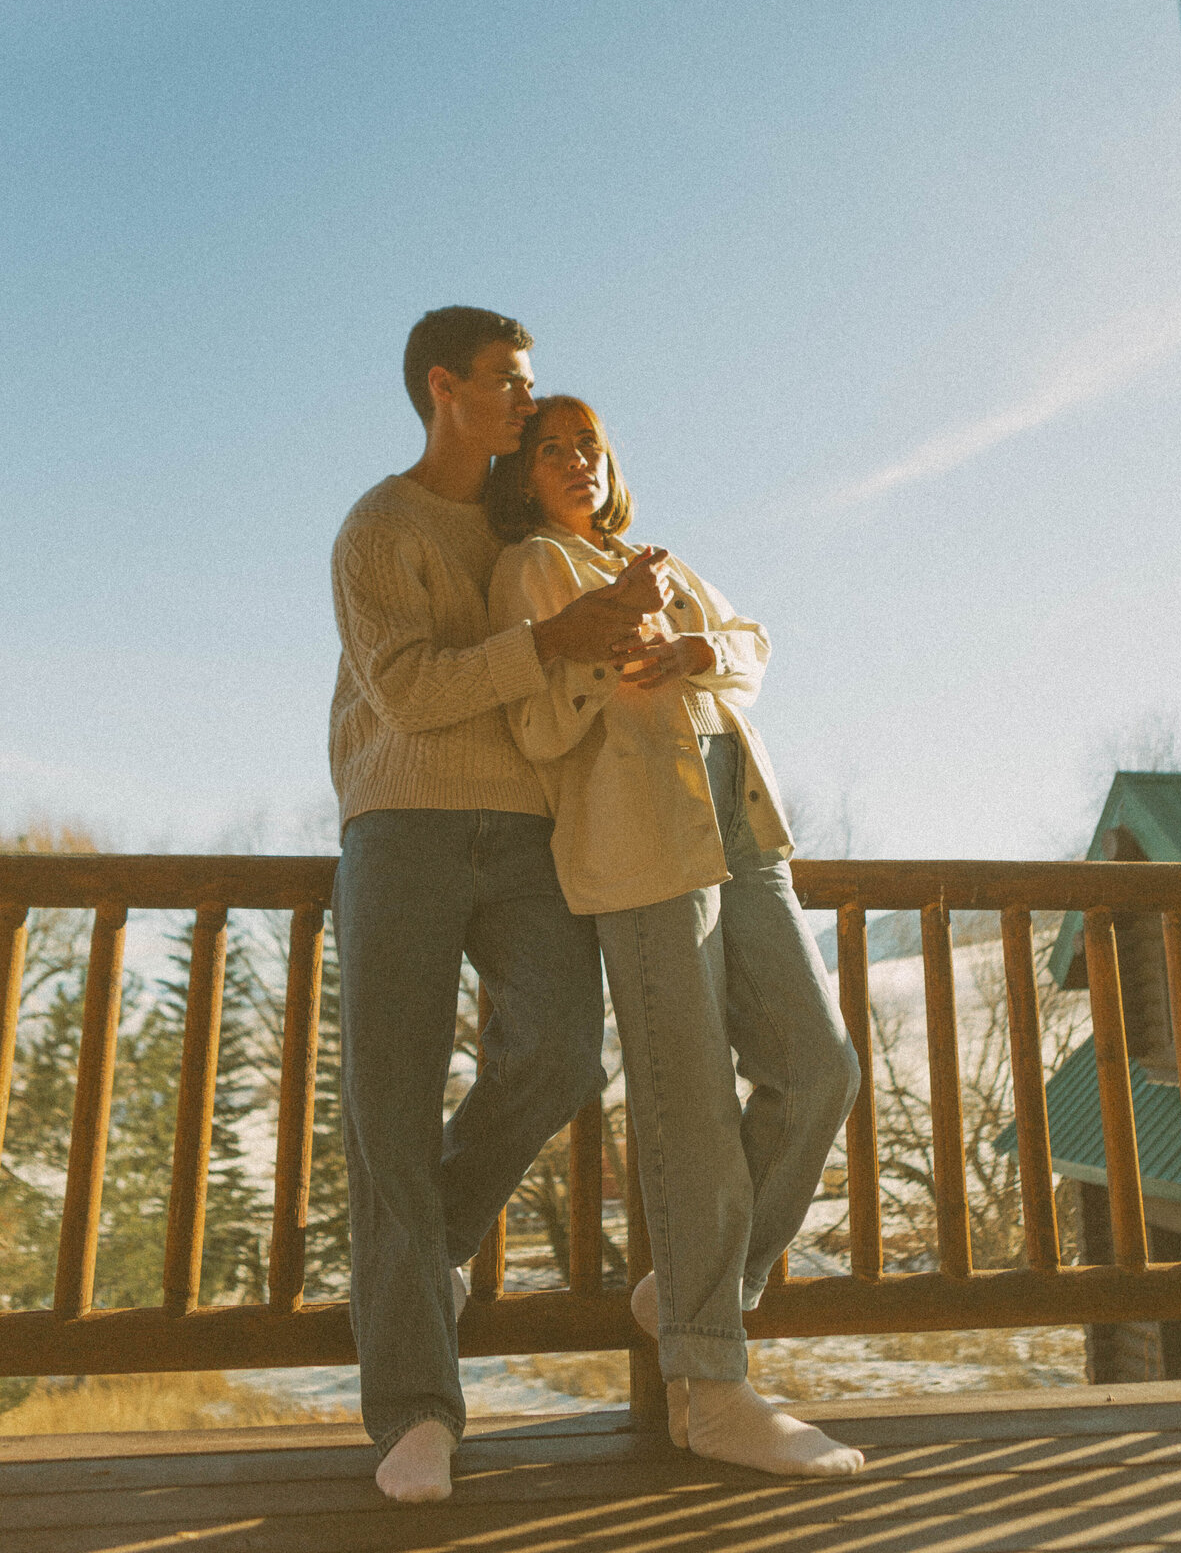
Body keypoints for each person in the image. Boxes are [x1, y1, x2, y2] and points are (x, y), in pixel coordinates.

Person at [486, 395, 865, 1480]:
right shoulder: (530, 571)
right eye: (552, 449)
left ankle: (697, 1298)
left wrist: (695, 638)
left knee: (819, 1066)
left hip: (741, 827)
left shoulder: (661, 559)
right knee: (688, 1104)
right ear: (523, 476)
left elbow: (751, 645)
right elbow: (535, 722)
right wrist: (610, 632)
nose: (577, 462)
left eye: (590, 446)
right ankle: (710, 1389)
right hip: (640, 848)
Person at [329, 314, 670, 1505]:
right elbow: (413, 693)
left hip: (528, 835)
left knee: (564, 1053)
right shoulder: (378, 528)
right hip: (402, 827)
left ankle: (425, 1251)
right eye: (509, 384)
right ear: (443, 388)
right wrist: (546, 643)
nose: (529, 405)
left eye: (532, 385)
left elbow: (577, 653)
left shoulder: (526, 524)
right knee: (388, 1101)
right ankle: (417, 1413)